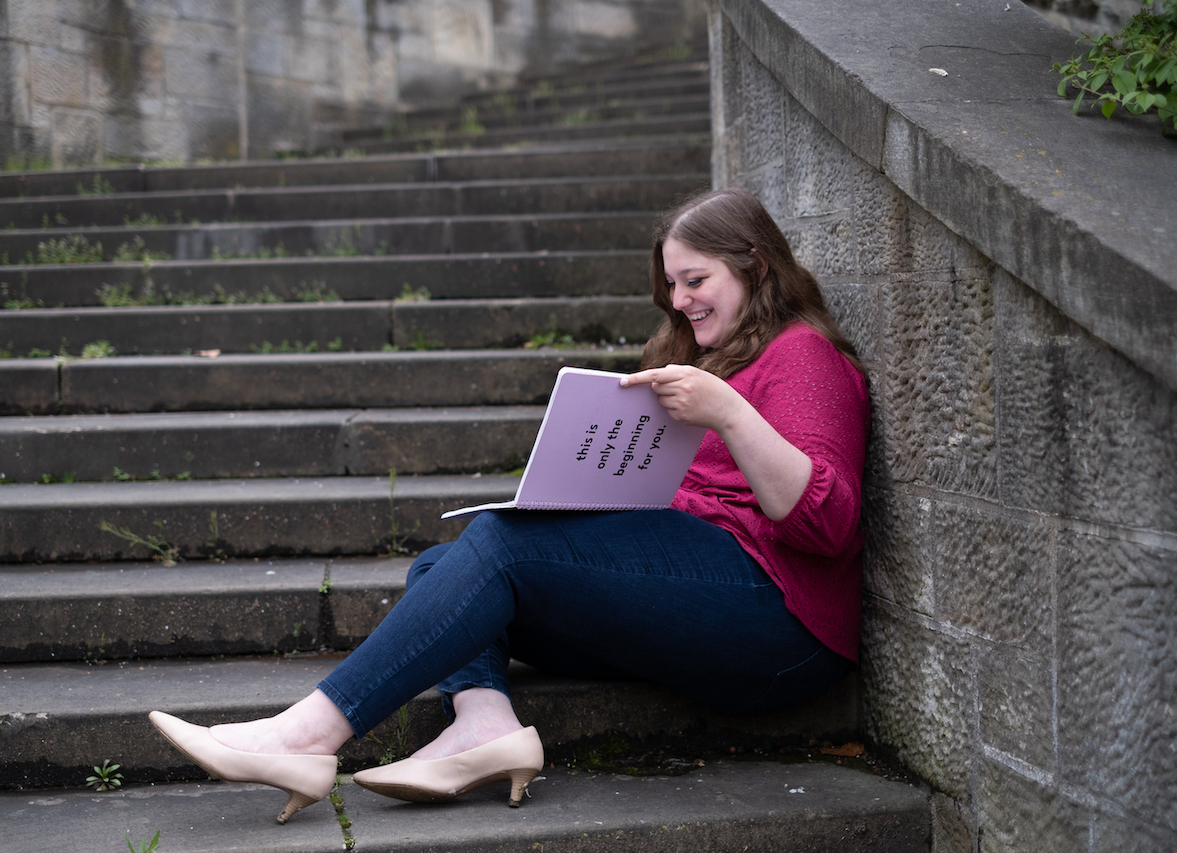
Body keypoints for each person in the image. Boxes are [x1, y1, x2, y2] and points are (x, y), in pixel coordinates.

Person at [149, 187, 870, 824]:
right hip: (702, 587)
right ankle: (484, 720)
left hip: (781, 625)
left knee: (502, 543)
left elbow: (828, 526)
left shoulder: (802, 355)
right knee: (445, 563)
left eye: (695, 279)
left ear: (757, 267)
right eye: (672, 284)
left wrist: (729, 414)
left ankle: (307, 735)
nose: (679, 300)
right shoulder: (716, 357)